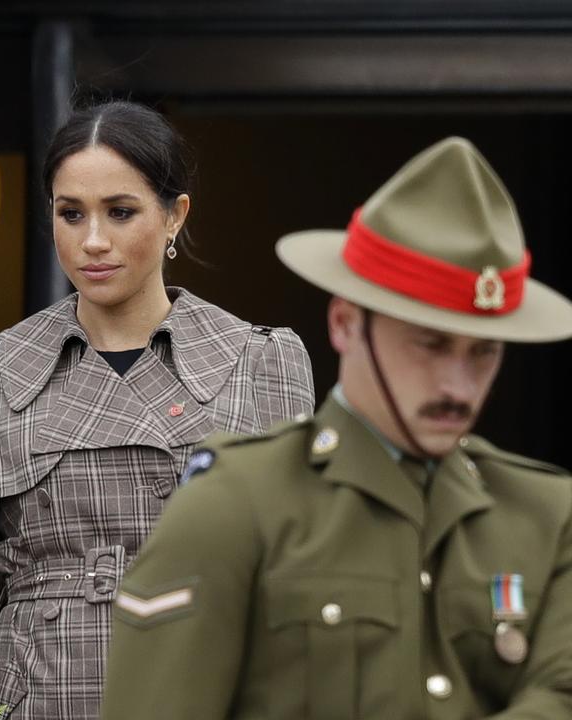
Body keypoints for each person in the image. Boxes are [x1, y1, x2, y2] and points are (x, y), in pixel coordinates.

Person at [102, 137, 572, 719]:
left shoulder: (546, 514)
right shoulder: (238, 502)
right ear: (346, 324)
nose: (458, 384)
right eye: (430, 343)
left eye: (484, 353)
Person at [0, 101, 315, 719]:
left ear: (174, 215)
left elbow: (296, 586)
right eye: (70, 214)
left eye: (121, 212)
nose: (93, 241)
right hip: (35, 695)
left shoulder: (259, 361)